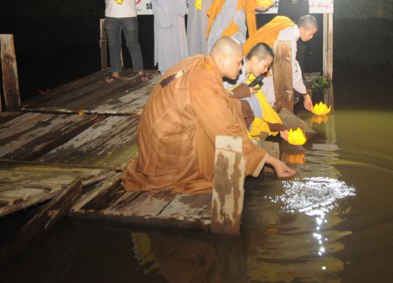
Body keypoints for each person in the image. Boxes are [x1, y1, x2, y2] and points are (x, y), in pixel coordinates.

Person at [121, 37, 296, 194]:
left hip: (153, 135)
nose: (241, 67)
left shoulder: (201, 62)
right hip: (165, 146)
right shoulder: (204, 83)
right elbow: (225, 130)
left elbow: (224, 99)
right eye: (238, 62)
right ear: (222, 59)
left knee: (233, 106)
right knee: (217, 154)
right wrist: (269, 160)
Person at [243, 15, 319, 111]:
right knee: (266, 95)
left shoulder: (286, 22)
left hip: (251, 55)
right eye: (310, 34)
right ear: (302, 29)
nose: (311, 37)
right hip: (252, 64)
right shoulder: (289, 39)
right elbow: (291, 72)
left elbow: (293, 63)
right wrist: (305, 94)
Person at [224, 42, 288, 140]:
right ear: (255, 59)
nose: (266, 70)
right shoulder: (230, 74)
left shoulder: (250, 79)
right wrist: (240, 93)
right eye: (265, 66)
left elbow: (263, 106)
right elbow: (220, 101)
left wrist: (279, 127)